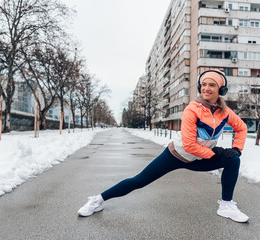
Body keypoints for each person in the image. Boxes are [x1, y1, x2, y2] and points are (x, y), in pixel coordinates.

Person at [78, 70, 249, 223]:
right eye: (203, 84)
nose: (206, 88)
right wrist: (215, 152)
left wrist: (236, 149)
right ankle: (97, 200)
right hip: (177, 155)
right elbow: (189, 145)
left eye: (212, 85)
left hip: (200, 158)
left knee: (233, 160)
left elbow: (241, 127)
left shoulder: (225, 112)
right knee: (140, 180)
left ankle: (226, 206)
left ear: (221, 89)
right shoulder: (193, 109)